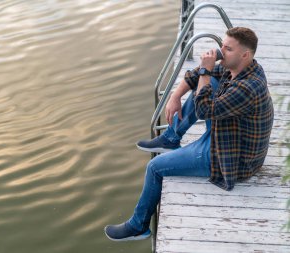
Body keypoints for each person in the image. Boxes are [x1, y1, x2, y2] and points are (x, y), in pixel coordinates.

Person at [104, 27, 274, 241]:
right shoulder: (240, 68)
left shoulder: (248, 87)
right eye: (222, 45)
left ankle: (139, 226)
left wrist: (205, 70)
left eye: (227, 49)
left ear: (245, 55)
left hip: (230, 159)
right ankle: (171, 138)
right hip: (225, 135)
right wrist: (175, 95)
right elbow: (196, 77)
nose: (220, 52)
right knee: (209, 81)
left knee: (155, 167)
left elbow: (204, 110)